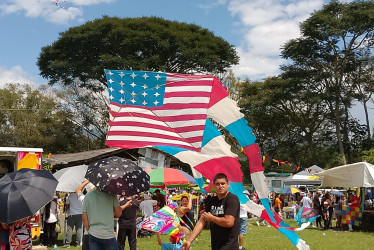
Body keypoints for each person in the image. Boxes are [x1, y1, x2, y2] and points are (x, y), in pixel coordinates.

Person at [182, 173, 240, 250]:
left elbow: (229, 222)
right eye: (217, 184)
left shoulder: (232, 199)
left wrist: (212, 218)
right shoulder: (212, 200)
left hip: (229, 246)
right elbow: (202, 220)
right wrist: (189, 240)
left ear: (228, 184)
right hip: (216, 245)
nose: (220, 186)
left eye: (223, 183)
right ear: (214, 186)